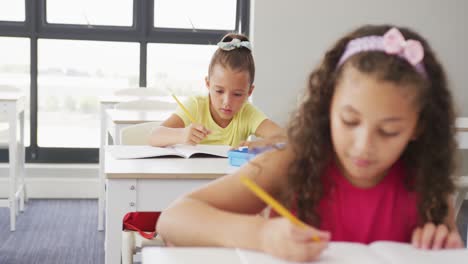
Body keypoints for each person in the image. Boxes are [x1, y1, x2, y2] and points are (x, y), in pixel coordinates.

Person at [155, 25, 465, 261]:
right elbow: (173, 219)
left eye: (389, 131)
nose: (363, 145)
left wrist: (441, 247)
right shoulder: (290, 164)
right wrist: (262, 235)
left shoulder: (427, 186)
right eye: (349, 121)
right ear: (326, 108)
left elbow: (447, 247)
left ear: (418, 127)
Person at [149, 33, 285, 148]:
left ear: (249, 92)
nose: (227, 102)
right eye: (219, 91)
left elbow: (287, 139)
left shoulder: (247, 113)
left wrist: (260, 144)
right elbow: (153, 137)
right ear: (208, 84)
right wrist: (182, 134)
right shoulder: (196, 106)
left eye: (237, 94)